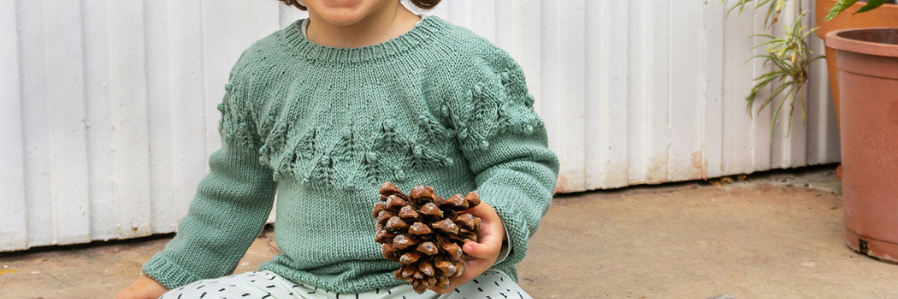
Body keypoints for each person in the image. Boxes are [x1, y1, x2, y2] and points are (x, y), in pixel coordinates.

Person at [116, 0, 558, 298]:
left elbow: (520, 161)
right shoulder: (263, 71)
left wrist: (498, 219)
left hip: (441, 283)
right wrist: (159, 282)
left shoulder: (460, 62)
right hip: (303, 285)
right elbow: (231, 195)